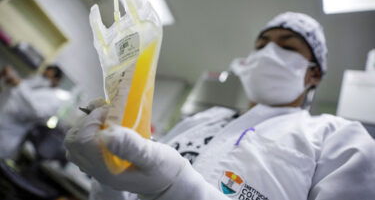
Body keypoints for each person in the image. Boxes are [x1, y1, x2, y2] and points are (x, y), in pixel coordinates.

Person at [64, 12, 375, 200]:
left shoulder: (338, 138)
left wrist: (175, 188)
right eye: (262, 43)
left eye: (286, 45)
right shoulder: (206, 119)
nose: (268, 51)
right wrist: (109, 179)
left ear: (313, 73)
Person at [0, 65, 64, 158]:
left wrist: (19, 84)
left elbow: (37, 112)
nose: (43, 79)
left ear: (57, 80)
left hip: (7, 136)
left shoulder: (54, 100)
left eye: (47, 77)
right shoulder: (32, 84)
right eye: (43, 75)